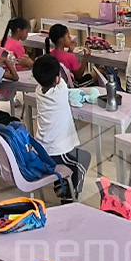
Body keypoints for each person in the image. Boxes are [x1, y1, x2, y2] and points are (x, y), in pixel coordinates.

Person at [31, 55, 92, 202]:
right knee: (83, 159)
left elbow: (47, 73)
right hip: (56, 151)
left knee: (74, 159)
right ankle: (69, 195)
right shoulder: (62, 88)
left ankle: (61, 183)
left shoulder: (39, 90)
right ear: (58, 78)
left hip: (41, 148)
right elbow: (64, 77)